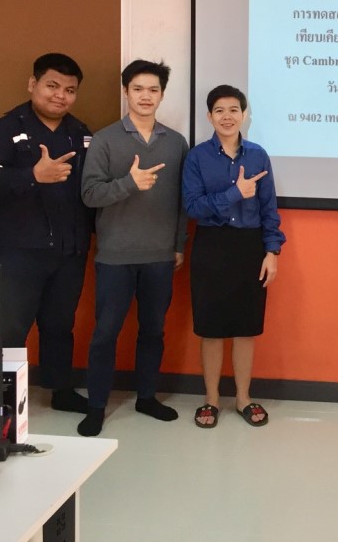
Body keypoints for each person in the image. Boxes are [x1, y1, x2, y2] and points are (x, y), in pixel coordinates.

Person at [76, 60, 189, 436]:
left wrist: (178, 245)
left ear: (162, 95)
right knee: (105, 333)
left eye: (153, 90)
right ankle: (96, 406)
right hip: (115, 256)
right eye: (138, 88)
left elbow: (181, 202)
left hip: (160, 256)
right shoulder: (105, 139)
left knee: (153, 331)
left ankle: (146, 397)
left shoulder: (176, 143)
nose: (145, 96)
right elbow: (90, 194)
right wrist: (129, 183)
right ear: (126, 92)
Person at [0, 53, 93, 413]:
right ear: (33, 84)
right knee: (11, 330)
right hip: (18, 251)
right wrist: (32, 176)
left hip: (69, 250)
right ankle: (5, 401)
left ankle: (61, 390)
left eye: (69, 90)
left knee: (59, 324)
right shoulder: (7, 127)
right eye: (52, 86)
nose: (60, 95)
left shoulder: (81, 132)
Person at [183, 85, 284, 429]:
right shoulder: (197, 157)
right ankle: (211, 399)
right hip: (211, 245)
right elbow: (192, 207)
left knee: (245, 329)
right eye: (219, 110)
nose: (227, 116)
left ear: (244, 115)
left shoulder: (258, 155)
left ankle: (243, 398)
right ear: (209, 116)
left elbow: (269, 208)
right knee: (210, 329)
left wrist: (272, 251)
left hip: (249, 247)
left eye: (234, 110)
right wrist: (234, 193)